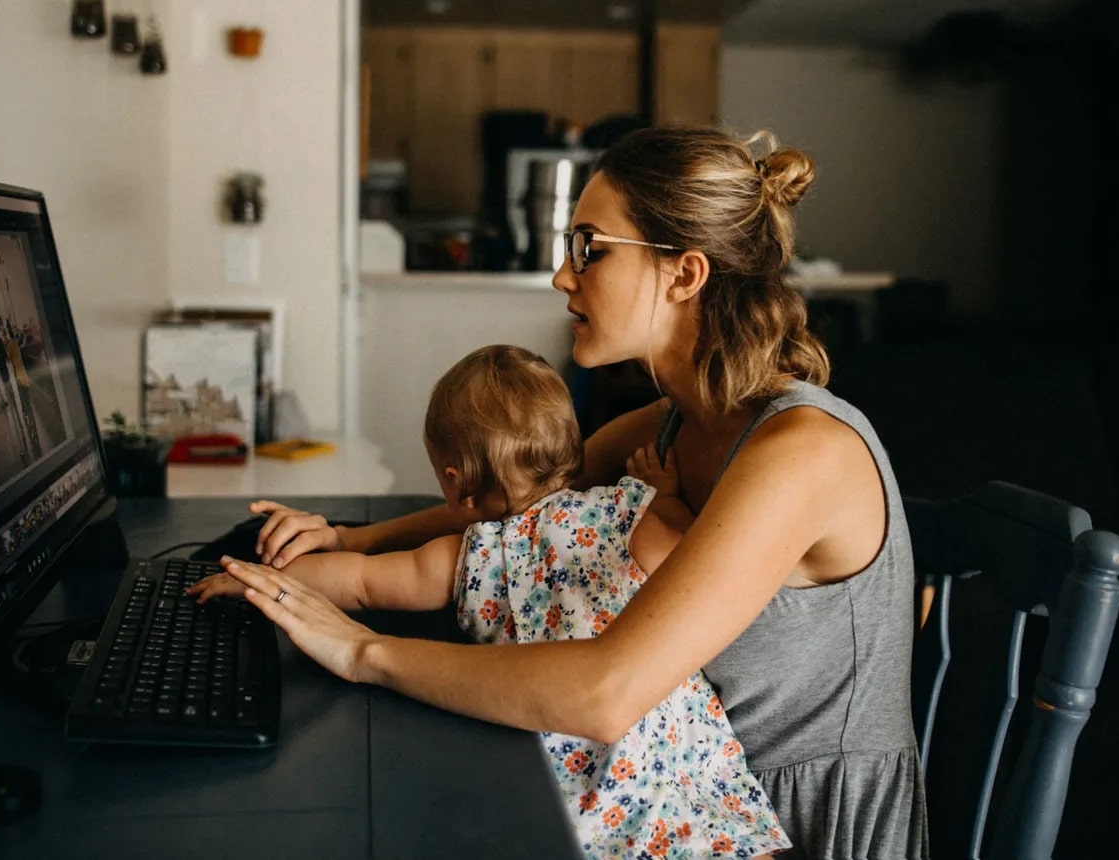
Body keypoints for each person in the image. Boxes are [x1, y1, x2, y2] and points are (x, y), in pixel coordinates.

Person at [212, 125, 928, 859]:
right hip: (666, 794)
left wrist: (364, 652)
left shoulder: (800, 453)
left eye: (589, 247)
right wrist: (348, 540)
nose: (563, 275)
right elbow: (525, 509)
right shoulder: (675, 421)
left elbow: (606, 693)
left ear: (684, 275)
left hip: (780, 824)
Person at [190, 345, 790, 859]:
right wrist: (664, 494)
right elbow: (687, 549)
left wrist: (256, 582)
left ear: (454, 483)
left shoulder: (472, 556)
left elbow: (361, 582)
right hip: (681, 771)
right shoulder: (633, 514)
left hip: (578, 789)